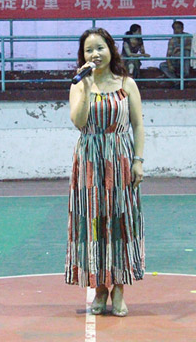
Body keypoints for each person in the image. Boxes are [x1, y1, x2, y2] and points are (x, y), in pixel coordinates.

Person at [66, 28, 145, 317]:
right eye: (89, 50)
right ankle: (99, 287)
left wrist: (138, 160)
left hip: (120, 159)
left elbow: (138, 124)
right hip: (89, 160)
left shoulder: (127, 84)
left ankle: (119, 288)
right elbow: (79, 122)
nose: (95, 54)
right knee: (94, 223)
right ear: (83, 56)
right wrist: (87, 88)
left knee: (121, 221)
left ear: (111, 50)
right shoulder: (78, 85)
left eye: (100, 48)